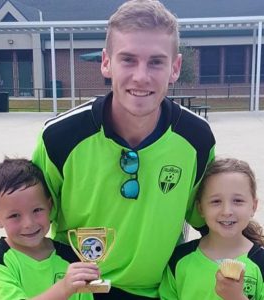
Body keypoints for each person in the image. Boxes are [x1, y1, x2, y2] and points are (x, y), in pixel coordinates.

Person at [32, 0, 216, 298]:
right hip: (79, 291)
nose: (141, 76)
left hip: (157, 292)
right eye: (128, 59)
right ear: (107, 62)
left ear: (175, 67)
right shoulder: (60, 137)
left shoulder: (196, 138)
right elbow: (28, 222)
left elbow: (212, 224)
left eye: (156, 61)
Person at [0, 158, 99, 300]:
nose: (28, 224)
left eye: (37, 210)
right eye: (14, 215)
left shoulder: (70, 257)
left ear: (49, 206)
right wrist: (63, 289)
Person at [159, 158, 264, 300]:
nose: (227, 211)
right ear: (201, 208)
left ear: (253, 206)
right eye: (216, 201)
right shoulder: (179, 260)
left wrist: (237, 297)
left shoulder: (260, 263)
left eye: (238, 201)